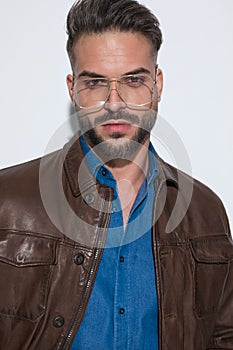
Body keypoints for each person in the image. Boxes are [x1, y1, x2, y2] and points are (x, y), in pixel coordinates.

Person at [0, 0, 232, 349]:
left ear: (158, 84)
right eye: (94, 83)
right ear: (72, 90)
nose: (114, 102)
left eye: (133, 80)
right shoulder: (8, 203)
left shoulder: (204, 211)